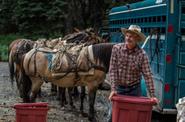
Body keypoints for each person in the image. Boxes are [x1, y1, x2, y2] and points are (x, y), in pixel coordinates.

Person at [107, 25, 158, 122]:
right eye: (127, 35)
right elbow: (112, 70)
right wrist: (113, 88)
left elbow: (148, 75)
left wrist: (152, 95)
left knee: (133, 117)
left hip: (134, 90)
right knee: (113, 117)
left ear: (137, 39)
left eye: (132, 36)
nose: (128, 38)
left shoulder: (142, 54)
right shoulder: (116, 49)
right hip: (119, 88)